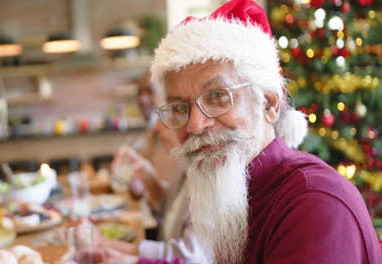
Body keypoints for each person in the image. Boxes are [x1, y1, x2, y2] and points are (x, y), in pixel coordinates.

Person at [145, 0, 382, 263]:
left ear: (268, 104)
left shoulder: (313, 203)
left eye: (218, 96)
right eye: (179, 108)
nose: (194, 125)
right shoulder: (231, 193)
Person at [91, 73, 207, 263]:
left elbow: (188, 256)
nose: (158, 128)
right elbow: (167, 212)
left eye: (167, 116)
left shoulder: (208, 175)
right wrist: (148, 178)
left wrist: (116, 247)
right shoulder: (186, 163)